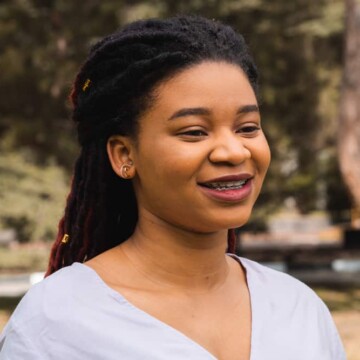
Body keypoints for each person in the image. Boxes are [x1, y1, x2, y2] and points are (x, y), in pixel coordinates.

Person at [0, 15, 345, 360]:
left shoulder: (298, 308)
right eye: (194, 131)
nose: (234, 151)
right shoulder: (56, 322)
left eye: (247, 127)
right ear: (125, 154)